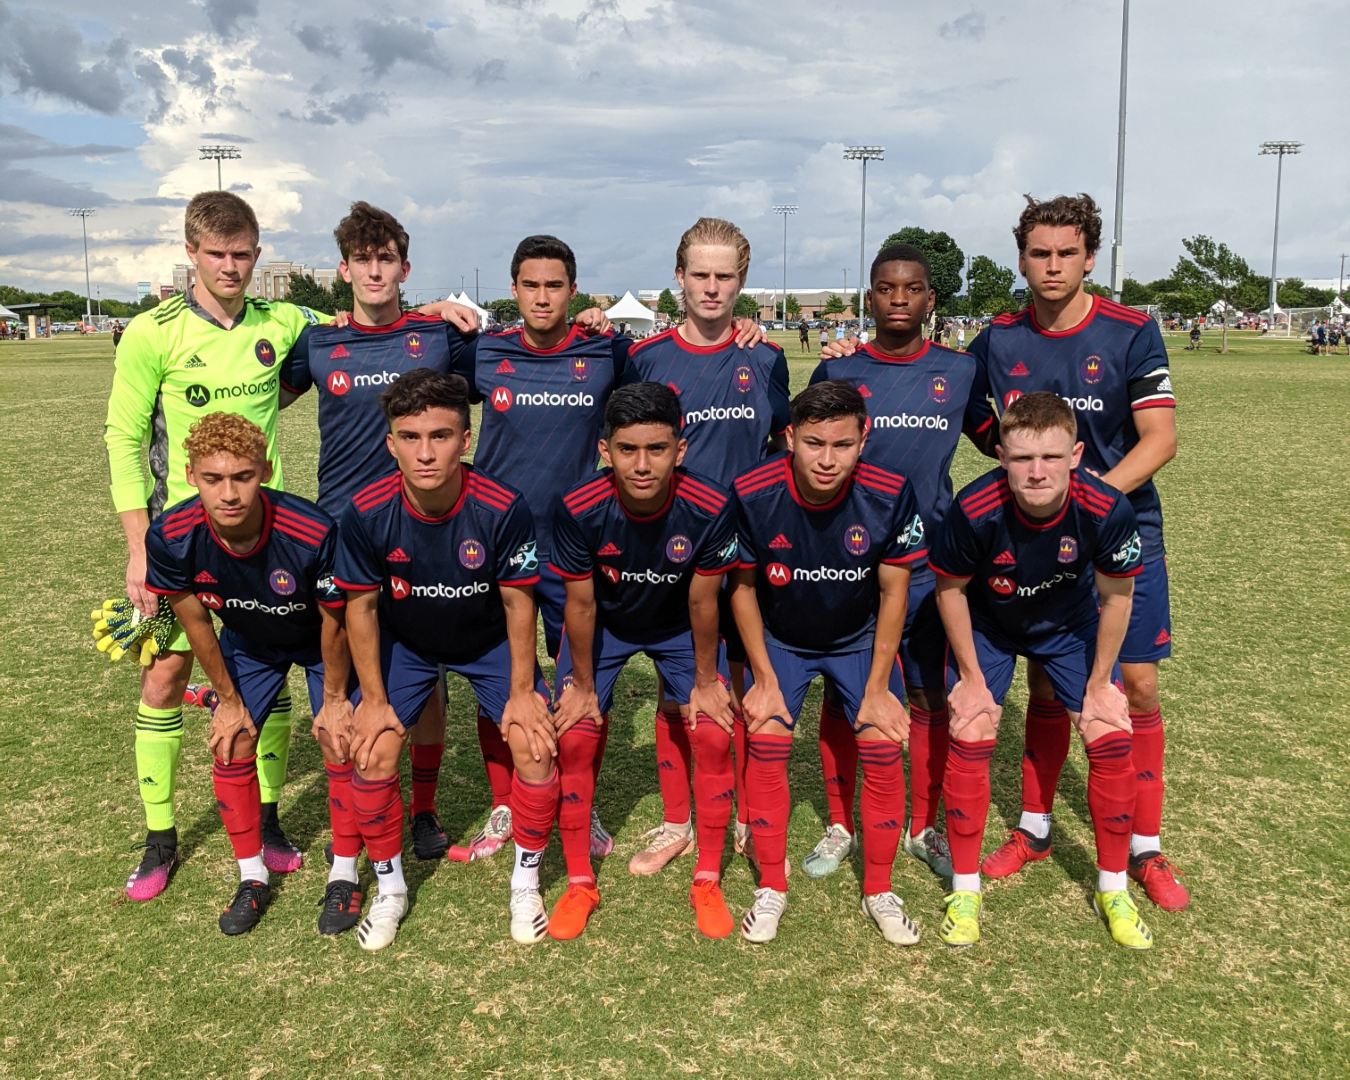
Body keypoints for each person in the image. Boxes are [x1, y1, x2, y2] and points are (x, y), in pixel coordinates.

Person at [965, 193, 1187, 911]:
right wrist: (1024, 481)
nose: (1053, 265)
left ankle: (1145, 849)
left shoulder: (1130, 330)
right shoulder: (997, 340)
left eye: (1066, 253)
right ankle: (1034, 829)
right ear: (1022, 259)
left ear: (1090, 257)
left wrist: (1083, 501)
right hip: (1031, 538)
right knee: (1050, 682)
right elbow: (962, 411)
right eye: (1039, 253)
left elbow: (1160, 439)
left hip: (1118, 529)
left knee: (1137, 685)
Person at [105, 191, 329, 900]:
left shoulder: (285, 321)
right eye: (216, 254)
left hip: (270, 542)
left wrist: (437, 315)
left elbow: (363, 323)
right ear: (191, 252)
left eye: (242, 254)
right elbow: (123, 438)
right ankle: (159, 838)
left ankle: (266, 821)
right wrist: (139, 546)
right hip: (182, 542)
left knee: (271, 663)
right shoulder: (153, 330)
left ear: (257, 256)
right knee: (165, 674)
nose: (230, 267)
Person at [280, 201, 479, 865]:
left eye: (385, 258)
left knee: (421, 676)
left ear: (404, 267)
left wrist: (438, 314)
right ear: (343, 269)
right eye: (361, 259)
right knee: (340, 674)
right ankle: (354, 821)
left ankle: (421, 811)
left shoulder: (438, 338)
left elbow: (510, 360)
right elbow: (259, 393)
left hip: (426, 533)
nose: (373, 270)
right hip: (341, 529)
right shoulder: (317, 344)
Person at [333, 369, 556, 949]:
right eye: (410, 437)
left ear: (466, 437)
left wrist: (522, 691)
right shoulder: (365, 511)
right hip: (408, 645)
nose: (425, 452)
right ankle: (390, 890)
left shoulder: (502, 506)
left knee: (533, 743)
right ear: (390, 443)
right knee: (374, 750)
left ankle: (525, 882)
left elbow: (518, 601)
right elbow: (360, 610)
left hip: (487, 644)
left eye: (440, 435)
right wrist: (374, 701)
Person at [931, 391, 1151, 949]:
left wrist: (1101, 683)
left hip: (1068, 624)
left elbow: (1118, 598)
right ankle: (965, 888)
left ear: (1076, 455)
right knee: (972, 724)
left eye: (1051, 458)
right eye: (1023, 458)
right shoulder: (975, 507)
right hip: (991, 624)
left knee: (1109, 733)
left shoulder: (1106, 508)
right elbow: (950, 589)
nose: (1036, 472)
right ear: (1000, 456)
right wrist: (972, 678)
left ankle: (1112, 887)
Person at [804, 244, 990, 883]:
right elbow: (806, 457)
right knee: (846, 690)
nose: (900, 300)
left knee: (925, 690)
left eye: (912, 289)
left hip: (932, 565)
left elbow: (1001, 438)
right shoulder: (838, 373)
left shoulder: (961, 371)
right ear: (871, 296)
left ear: (930, 299)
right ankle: (839, 824)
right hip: (854, 560)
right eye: (886, 289)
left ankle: (922, 826)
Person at [450, 235, 631, 863]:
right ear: (514, 289)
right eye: (531, 285)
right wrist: (433, 314)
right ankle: (506, 803)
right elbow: (401, 341)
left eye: (555, 286)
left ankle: (583, 802)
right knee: (501, 682)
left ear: (573, 290)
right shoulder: (483, 352)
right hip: (497, 545)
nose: (543, 297)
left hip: (578, 545)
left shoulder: (606, 350)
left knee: (584, 680)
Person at [731, 380, 929, 944]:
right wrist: (764, 677)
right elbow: (742, 589)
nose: (826, 459)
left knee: (882, 739)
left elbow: (895, 592)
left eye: (841, 445)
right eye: (814, 443)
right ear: (790, 437)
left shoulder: (890, 492)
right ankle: (771, 885)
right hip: (782, 642)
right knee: (767, 736)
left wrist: (877, 686)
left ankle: (879, 889)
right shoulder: (752, 490)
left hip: (857, 639)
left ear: (864, 438)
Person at [621, 217, 789, 877]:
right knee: (677, 687)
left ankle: (743, 813)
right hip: (670, 550)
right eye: (701, 274)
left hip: (748, 550)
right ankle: (676, 819)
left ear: (741, 282)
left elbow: (783, 447)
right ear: (679, 277)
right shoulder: (647, 360)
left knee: (741, 685)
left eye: (725, 276)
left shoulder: (766, 358)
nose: (712, 288)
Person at [143, 413, 353, 934]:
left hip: (321, 642)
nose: (229, 493)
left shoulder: (312, 530)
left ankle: (345, 876)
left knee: (339, 739)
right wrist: (228, 699)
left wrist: (333, 696)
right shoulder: (170, 534)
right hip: (251, 644)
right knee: (231, 740)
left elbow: (337, 622)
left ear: (266, 469)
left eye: (243, 477)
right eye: (214, 479)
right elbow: (196, 621)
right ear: (191, 476)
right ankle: (252, 877)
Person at [548, 382, 739, 939]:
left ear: (680, 450)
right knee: (577, 732)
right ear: (605, 451)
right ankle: (580, 882)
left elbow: (705, 600)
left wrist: (705, 682)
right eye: (627, 449)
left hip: (678, 625)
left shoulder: (710, 504)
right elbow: (579, 603)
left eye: (657, 449)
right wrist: (582, 685)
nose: (642, 464)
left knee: (710, 730)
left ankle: (707, 877)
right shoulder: (578, 506)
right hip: (604, 626)